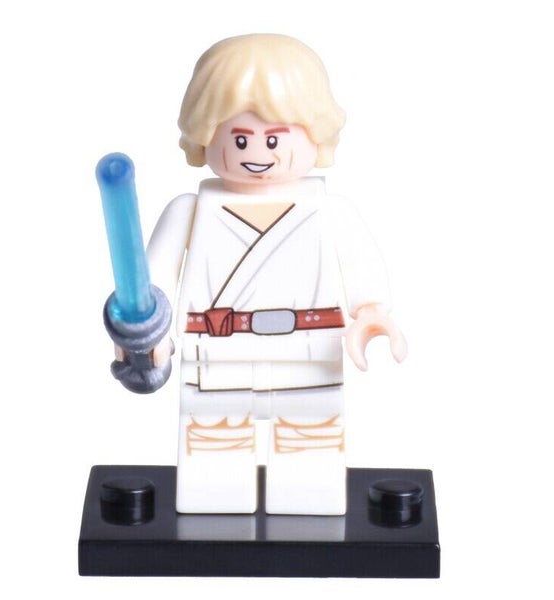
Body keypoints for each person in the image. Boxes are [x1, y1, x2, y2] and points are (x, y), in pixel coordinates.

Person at [146, 34, 406, 515]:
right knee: (214, 454)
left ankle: (309, 506)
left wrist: (371, 314)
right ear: (205, 134)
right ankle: (214, 515)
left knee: (310, 452)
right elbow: (152, 287)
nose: (257, 153)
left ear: (315, 134)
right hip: (215, 354)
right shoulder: (190, 210)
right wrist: (146, 331)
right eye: (239, 138)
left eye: (274, 139)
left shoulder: (330, 211)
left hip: (309, 352)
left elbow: (363, 269)